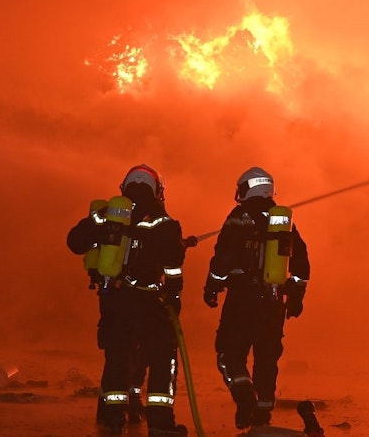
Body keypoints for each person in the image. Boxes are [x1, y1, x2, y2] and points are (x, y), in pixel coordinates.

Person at [68, 164, 191, 436]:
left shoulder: (108, 215)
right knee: (163, 354)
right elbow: (173, 266)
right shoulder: (164, 222)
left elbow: (75, 242)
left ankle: (112, 420)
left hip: (113, 301)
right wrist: (174, 298)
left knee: (117, 358)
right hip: (148, 302)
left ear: (125, 186)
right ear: (157, 190)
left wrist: (100, 227)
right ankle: (160, 422)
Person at [202, 166, 310, 430]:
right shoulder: (284, 222)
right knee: (266, 359)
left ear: (246, 189)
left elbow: (223, 257)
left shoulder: (238, 218)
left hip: (242, 300)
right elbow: (302, 263)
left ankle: (244, 397)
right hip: (273, 304)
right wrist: (296, 295)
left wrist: (212, 287)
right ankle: (262, 415)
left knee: (228, 353)